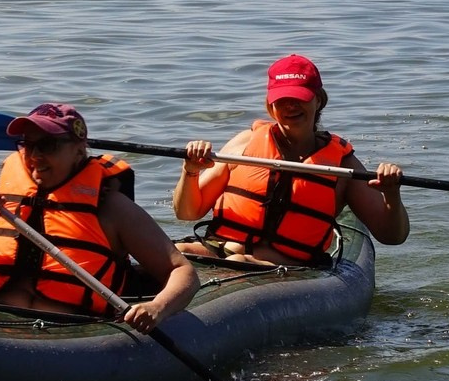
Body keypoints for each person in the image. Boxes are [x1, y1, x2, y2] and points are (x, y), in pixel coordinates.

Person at [0, 102, 197, 329]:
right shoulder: (0, 200)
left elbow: (183, 272)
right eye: (27, 144)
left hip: (68, 331)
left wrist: (156, 308)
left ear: (78, 150)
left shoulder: (111, 208)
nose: (34, 156)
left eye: (47, 145)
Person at [172, 54, 408, 267]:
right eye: (282, 99)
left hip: (283, 269)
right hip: (218, 250)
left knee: (238, 260)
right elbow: (187, 212)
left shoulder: (343, 165)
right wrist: (190, 170)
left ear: (318, 100)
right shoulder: (243, 144)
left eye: (299, 98)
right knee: (171, 251)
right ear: (270, 106)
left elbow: (392, 236)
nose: (290, 106)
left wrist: (391, 194)